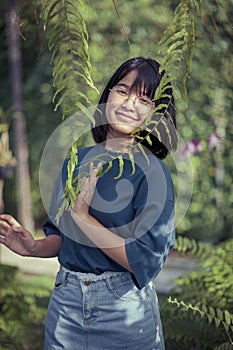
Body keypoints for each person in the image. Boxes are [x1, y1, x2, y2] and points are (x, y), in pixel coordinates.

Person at [0, 57, 177, 350]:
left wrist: (84, 216)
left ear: (156, 114)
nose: (130, 104)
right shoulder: (76, 161)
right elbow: (62, 235)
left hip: (123, 310)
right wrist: (33, 248)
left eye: (144, 99)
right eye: (123, 91)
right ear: (107, 95)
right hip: (66, 304)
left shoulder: (153, 174)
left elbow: (144, 260)